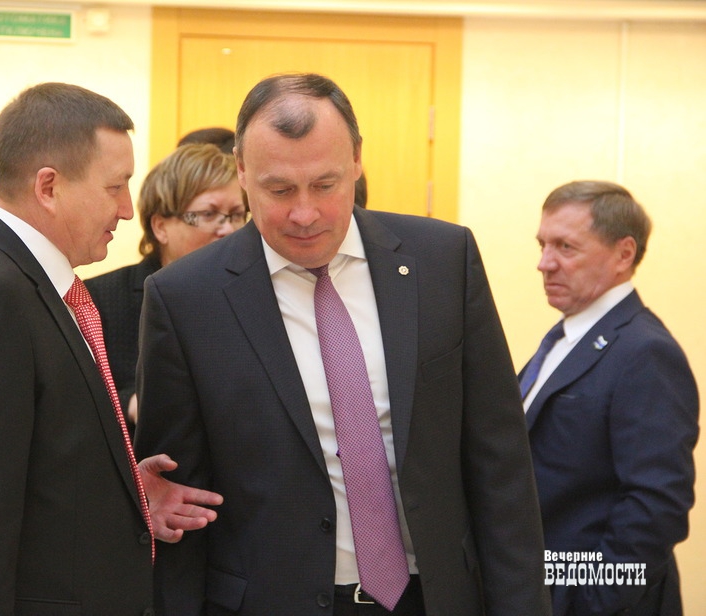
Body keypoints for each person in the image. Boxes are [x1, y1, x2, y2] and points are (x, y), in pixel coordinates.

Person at [133, 73, 551, 615]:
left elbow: (500, 463)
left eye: (325, 185)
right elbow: (181, 502)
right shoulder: (186, 298)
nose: (304, 213)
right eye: (279, 190)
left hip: (435, 596)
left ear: (356, 159)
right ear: (242, 171)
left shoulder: (443, 261)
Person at [0, 82, 221, 615]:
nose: (126, 209)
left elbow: (30, 461)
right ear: (48, 187)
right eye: (115, 186)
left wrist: (124, 492)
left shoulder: (25, 281)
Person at [522, 180, 698, 616]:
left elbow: (657, 504)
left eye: (566, 247)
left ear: (623, 254)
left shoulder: (645, 351)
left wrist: (592, 602)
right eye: (543, 245)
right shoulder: (566, 337)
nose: (544, 264)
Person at [84, 143, 247, 426]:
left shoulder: (255, 295)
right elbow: (73, 405)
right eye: (209, 214)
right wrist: (131, 404)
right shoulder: (98, 300)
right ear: (160, 227)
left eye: (237, 215)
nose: (229, 229)